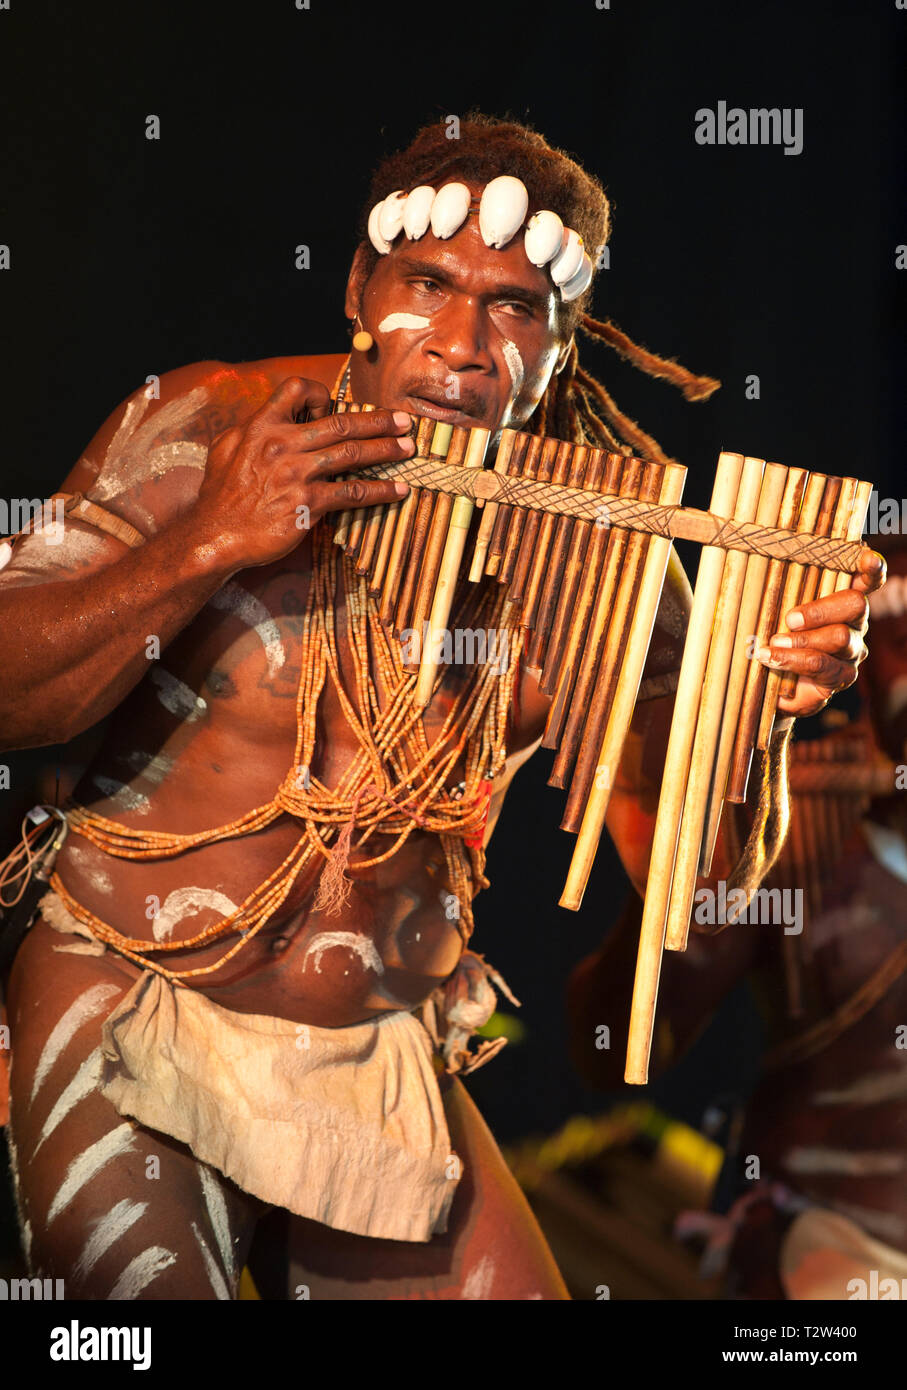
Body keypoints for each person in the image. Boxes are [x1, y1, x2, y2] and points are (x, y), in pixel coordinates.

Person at [0, 115, 880, 1300]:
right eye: (431, 283)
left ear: (563, 350)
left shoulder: (605, 559)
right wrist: (210, 538)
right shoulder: (207, 425)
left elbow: (698, 882)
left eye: (515, 306)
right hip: (133, 997)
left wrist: (759, 707)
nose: (464, 346)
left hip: (380, 1051)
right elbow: (13, 696)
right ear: (362, 285)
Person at [568, 537, 906, 1301]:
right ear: (863, 658)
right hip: (834, 1265)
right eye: (901, 641)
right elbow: (617, 1050)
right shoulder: (795, 823)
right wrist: (677, 864)